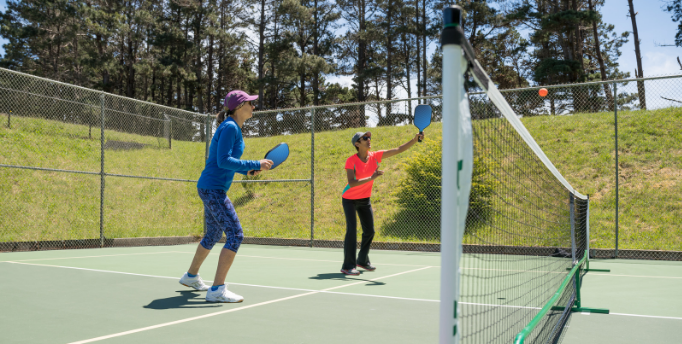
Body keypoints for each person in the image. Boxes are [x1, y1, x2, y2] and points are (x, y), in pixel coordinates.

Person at [178, 90, 273, 303]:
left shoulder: (233, 127)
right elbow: (223, 161)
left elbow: (227, 162)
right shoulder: (230, 127)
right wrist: (255, 164)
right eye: (250, 103)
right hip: (213, 189)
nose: (253, 107)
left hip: (211, 187)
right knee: (235, 234)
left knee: (212, 234)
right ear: (240, 107)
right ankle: (217, 289)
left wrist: (247, 170)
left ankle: (191, 277)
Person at [340, 130, 424, 275]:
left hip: (364, 198)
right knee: (352, 231)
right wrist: (371, 178)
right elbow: (352, 183)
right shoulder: (351, 160)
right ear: (357, 144)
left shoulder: (375, 156)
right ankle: (348, 266)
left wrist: (414, 140)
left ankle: (362, 260)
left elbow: (397, 149)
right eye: (365, 138)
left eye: (369, 137)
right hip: (349, 199)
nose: (369, 139)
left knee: (370, 231)